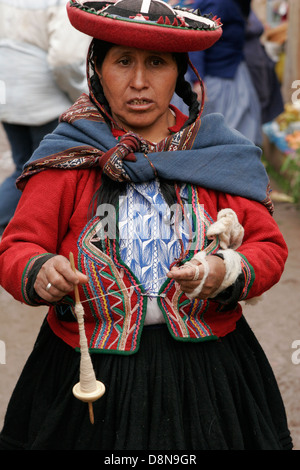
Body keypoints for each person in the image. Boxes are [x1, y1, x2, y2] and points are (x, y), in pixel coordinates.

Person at [0, 0, 293, 450]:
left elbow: (268, 247)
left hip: (210, 370)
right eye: (122, 62)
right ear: (97, 70)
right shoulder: (69, 158)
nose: (139, 82)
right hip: (90, 368)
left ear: (179, 73)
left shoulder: (216, 153)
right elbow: (17, 245)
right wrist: (40, 270)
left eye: (156, 63)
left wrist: (227, 271)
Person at [0, 0, 90, 235]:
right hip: (46, 98)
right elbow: (66, 59)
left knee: (22, 165)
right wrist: (81, 95)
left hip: (9, 91)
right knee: (48, 174)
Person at [188, 0, 263, 145]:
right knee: (226, 130)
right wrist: (197, 80)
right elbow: (196, 39)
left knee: (238, 128)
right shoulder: (219, 3)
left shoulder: (233, 3)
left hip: (231, 72)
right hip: (219, 78)